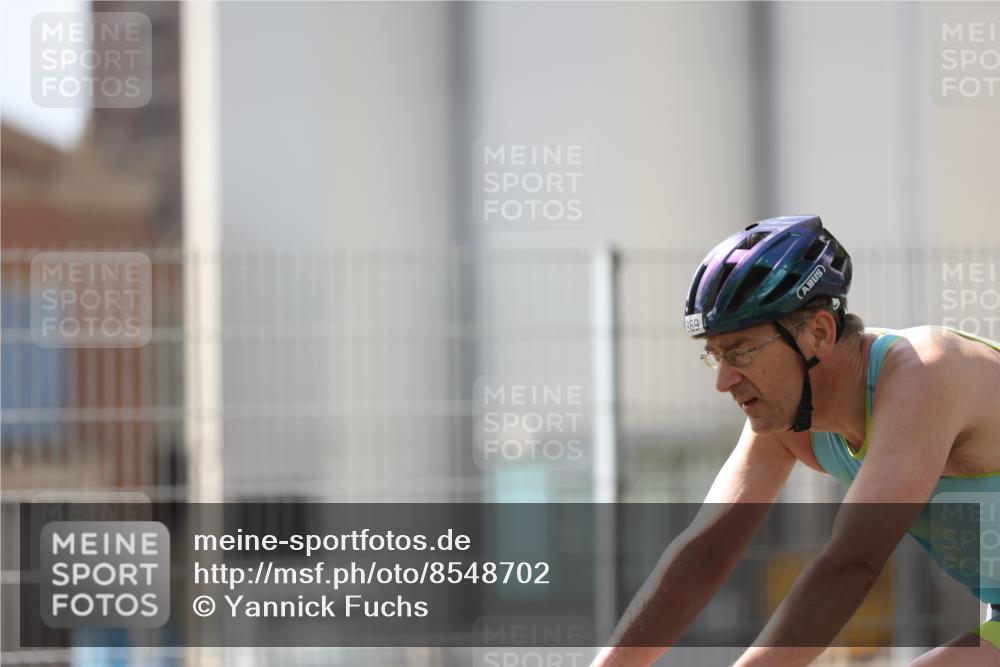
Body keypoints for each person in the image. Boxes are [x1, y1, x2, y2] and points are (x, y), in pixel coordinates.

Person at [592, 215, 1000, 666]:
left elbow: (850, 566)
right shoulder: (788, 417)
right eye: (715, 355)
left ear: (819, 334)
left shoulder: (925, 374)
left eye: (741, 350)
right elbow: (704, 554)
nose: (724, 380)